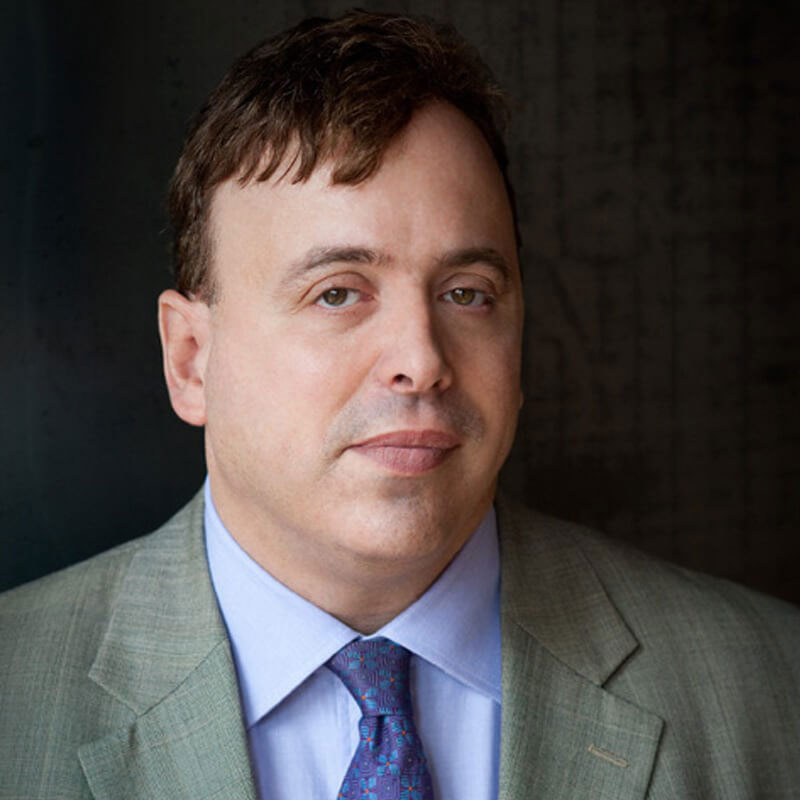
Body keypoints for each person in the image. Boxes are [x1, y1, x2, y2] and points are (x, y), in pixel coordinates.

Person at [0, 9, 798, 800]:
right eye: (338, 292)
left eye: (467, 293)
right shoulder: (16, 699)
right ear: (191, 359)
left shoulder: (772, 688)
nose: (421, 360)